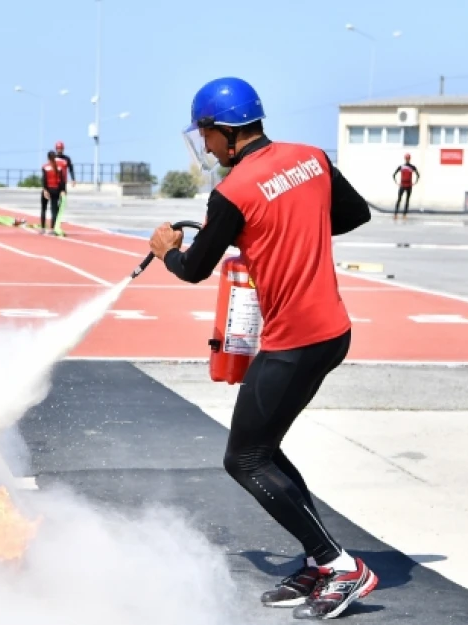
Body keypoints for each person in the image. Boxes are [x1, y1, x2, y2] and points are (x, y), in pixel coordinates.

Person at [148, 76, 376, 620]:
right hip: (331, 330)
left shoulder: (233, 190)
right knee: (263, 449)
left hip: (296, 339)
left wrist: (165, 252)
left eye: (206, 134)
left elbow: (196, 268)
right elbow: (353, 214)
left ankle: (341, 567)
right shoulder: (311, 158)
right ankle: (322, 562)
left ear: (225, 132)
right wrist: (291, 230)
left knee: (244, 458)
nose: (204, 145)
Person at [39, 150, 68, 231]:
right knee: (54, 210)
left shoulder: (45, 167)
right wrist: (63, 190)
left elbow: (44, 179)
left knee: (43, 208)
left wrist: (45, 190)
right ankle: (52, 228)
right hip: (56, 190)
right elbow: (62, 180)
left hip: (47, 189)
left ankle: (42, 227)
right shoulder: (59, 167)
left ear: (48, 158)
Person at [392, 153, 419, 220]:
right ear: (405, 159)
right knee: (399, 199)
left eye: (408, 158)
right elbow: (394, 174)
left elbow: (418, 175)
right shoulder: (401, 166)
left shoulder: (412, 167)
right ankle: (395, 214)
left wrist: (415, 183)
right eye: (406, 158)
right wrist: (397, 183)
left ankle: (405, 214)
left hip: (409, 186)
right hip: (402, 185)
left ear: (409, 159)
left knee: (407, 200)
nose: (407, 159)